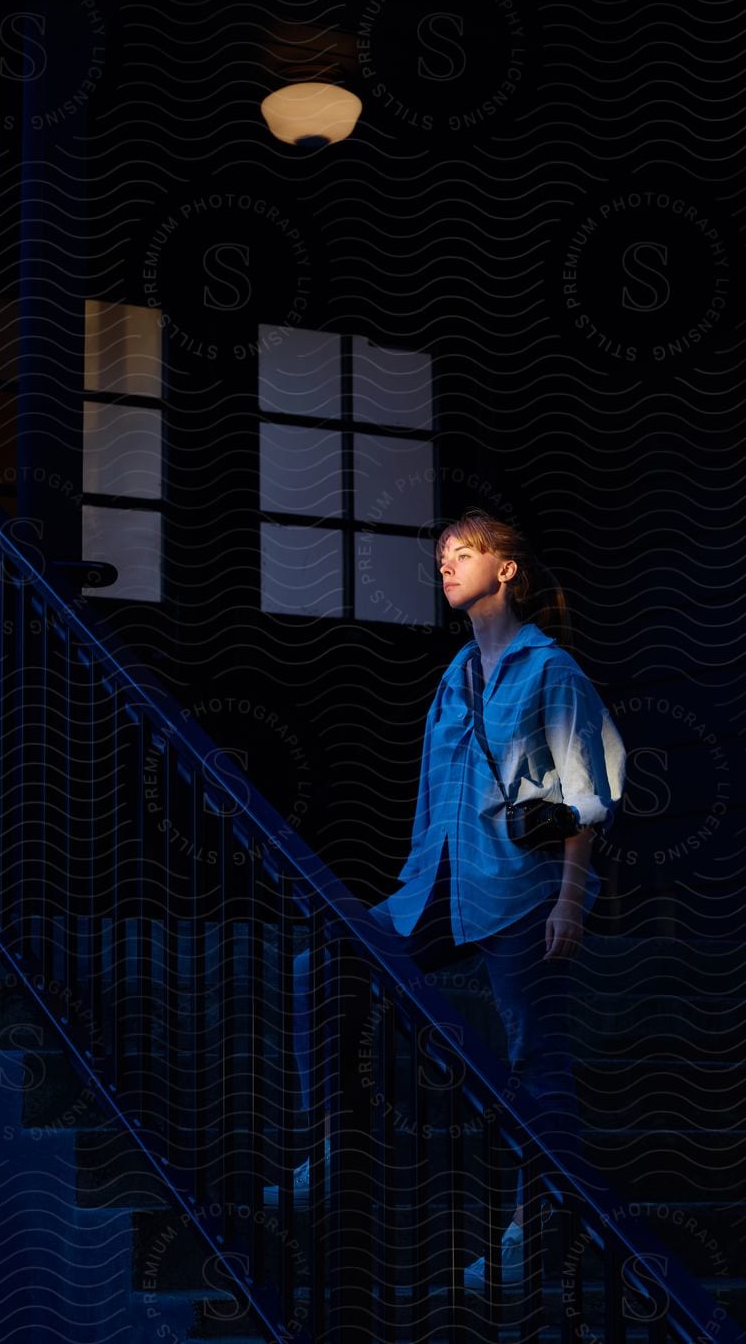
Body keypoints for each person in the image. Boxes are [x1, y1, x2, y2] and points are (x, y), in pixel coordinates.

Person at [267, 507, 627, 1291]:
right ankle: (336, 1146)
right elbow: (436, 792)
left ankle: (537, 1223)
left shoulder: (550, 670)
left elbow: (589, 791)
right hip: (437, 882)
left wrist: (570, 899)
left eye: (463, 553)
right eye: (439, 556)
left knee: (538, 1052)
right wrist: (411, 881)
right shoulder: (453, 675)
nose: (445, 564)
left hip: (521, 888)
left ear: (506, 570)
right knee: (319, 964)